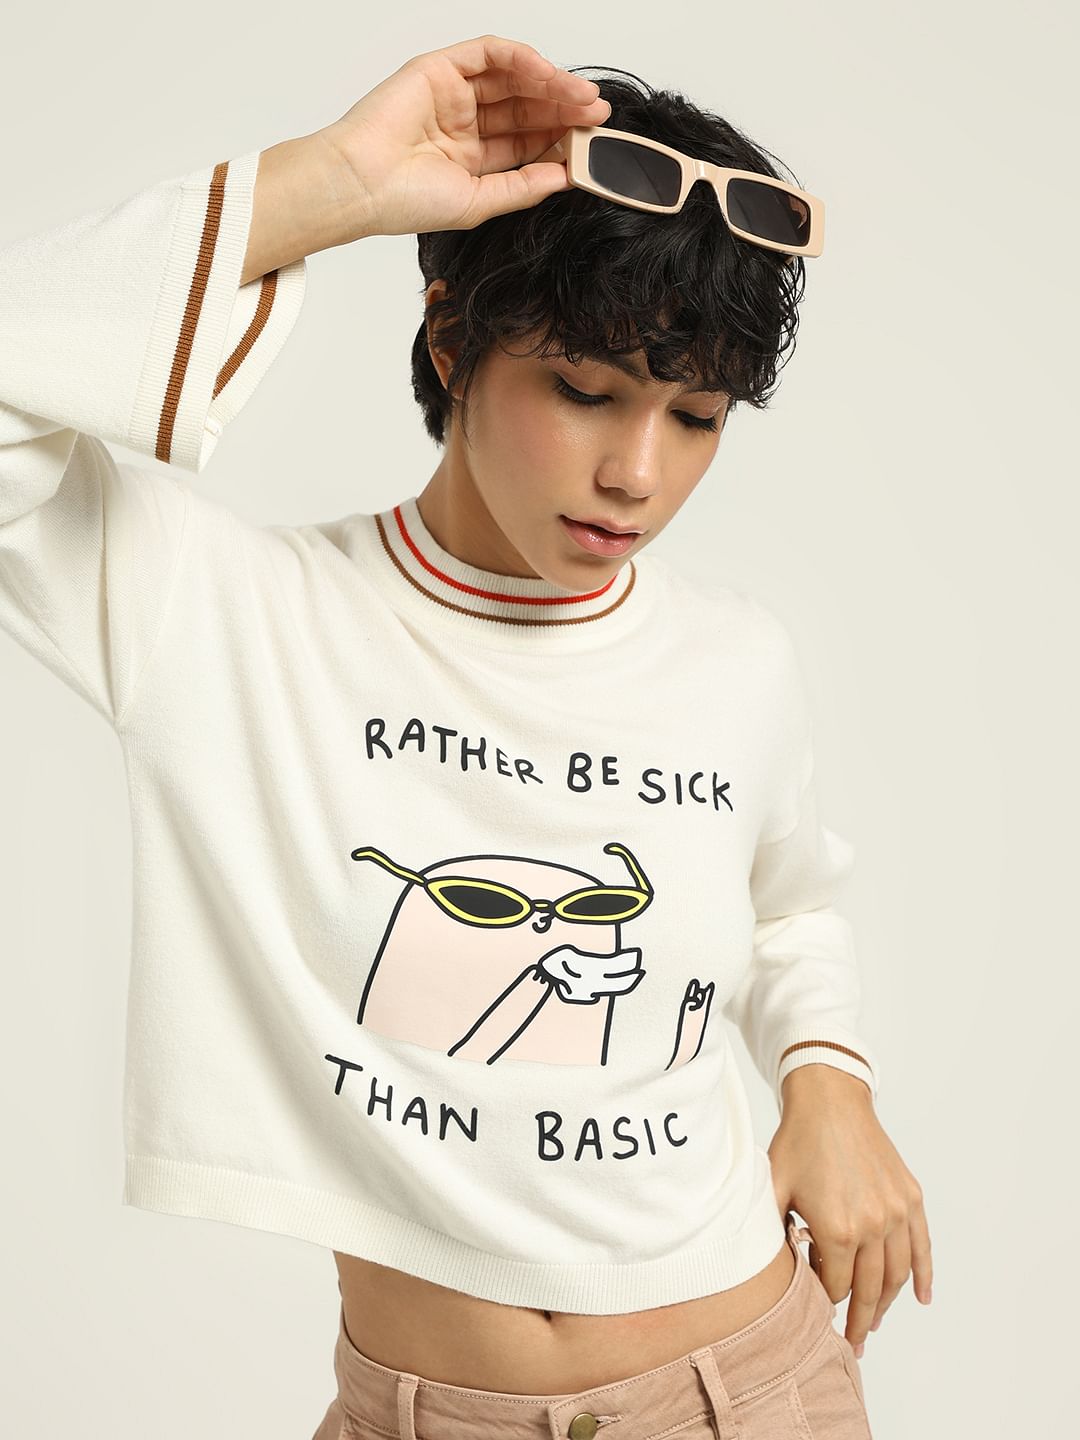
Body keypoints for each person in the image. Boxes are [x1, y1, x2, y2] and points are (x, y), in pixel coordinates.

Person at [0, 31, 931, 1440]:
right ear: (453, 340)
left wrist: (832, 1086)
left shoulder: (737, 662)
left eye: (695, 418)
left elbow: (787, 908)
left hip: (749, 1389)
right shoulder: (230, 615)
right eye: (585, 392)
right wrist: (330, 184)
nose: (637, 473)